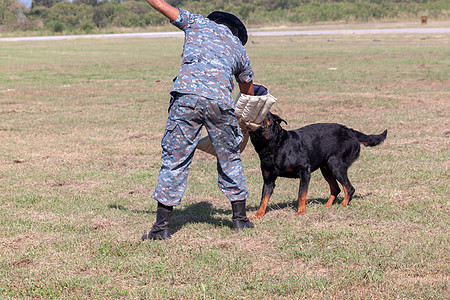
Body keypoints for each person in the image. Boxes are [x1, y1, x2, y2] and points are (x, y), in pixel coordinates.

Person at [141, 0, 255, 240]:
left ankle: (161, 228)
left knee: (175, 159)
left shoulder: (197, 23)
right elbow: (247, 93)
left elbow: (161, 5)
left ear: (214, 21)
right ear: (237, 33)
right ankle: (240, 220)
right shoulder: (238, 48)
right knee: (230, 157)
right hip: (220, 104)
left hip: (186, 99)